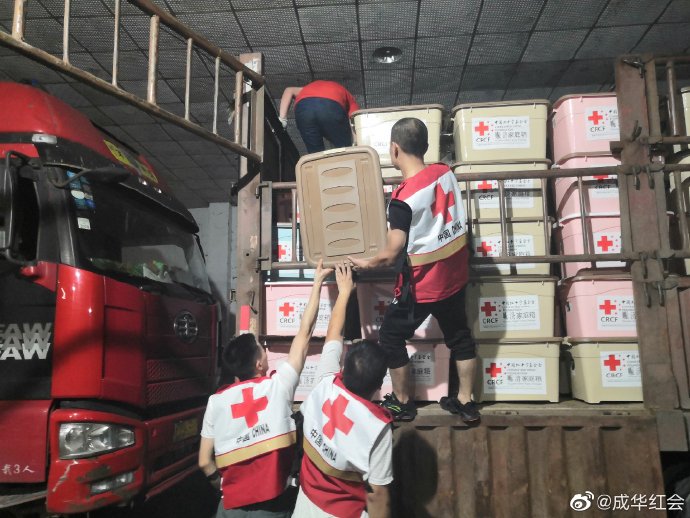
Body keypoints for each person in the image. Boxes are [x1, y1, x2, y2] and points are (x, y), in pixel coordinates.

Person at [349, 117, 479, 424]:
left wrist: (366, 263)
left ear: (394, 149)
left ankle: (403, 402)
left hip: (422, 285)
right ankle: (466, 401)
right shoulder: (445, 172)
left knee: (390, 337)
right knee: (460, 336)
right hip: (455, 275)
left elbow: (392, 251)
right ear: (426, 146)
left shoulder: (403, 198)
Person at [198, 260, 333, 517]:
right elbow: (304, 334)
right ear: (259, 364)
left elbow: (205, 461)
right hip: (272, 505)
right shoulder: (278, 386)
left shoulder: (217, 401)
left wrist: (224, 488)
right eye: (262, 350)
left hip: (230, 507)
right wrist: (317, 283)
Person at [294, 263, 392, 518]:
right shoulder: (377, 427)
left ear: (344, 368)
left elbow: (333, 334)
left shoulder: (325, 384)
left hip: (304, 504)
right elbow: (378, 494)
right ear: (379, 385)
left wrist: (344, 290)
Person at [279, 80, 360, 153]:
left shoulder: (307, 89)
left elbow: (289, 90)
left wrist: (282, 119)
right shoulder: (350, 99)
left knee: (315, 155)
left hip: (304, 109)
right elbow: (355, 122)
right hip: (330, 105)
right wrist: (355, 143)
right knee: (345, 149)